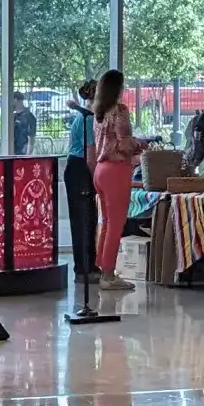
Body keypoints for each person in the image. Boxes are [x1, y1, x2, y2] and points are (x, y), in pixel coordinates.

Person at [89, 68, 146, 288]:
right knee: (116, 224)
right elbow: (124, 143)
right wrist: (141, 144)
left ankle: (102, 268)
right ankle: (109, 275)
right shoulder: (120, 110)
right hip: (116, 170)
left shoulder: (99, 113)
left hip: (100, 171)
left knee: (105, 223)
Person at [62, 82, 101, 284]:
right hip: (80, 170)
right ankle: (83, 268)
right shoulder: (87, 120)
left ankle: (89, 264)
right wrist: (98, 180)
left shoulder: (84, 117)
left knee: (88, 220)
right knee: (83, 221)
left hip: (77, 168)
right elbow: (90, 156)